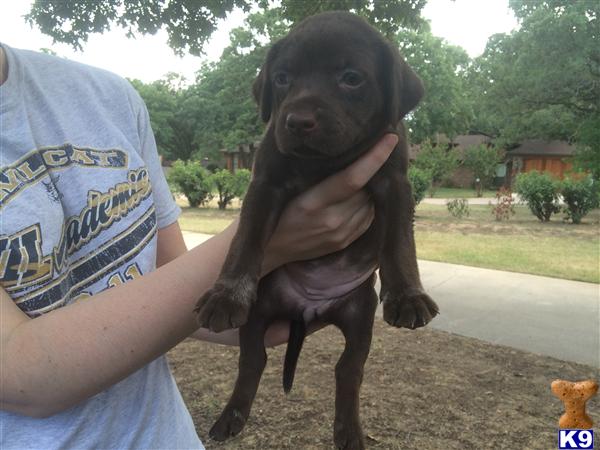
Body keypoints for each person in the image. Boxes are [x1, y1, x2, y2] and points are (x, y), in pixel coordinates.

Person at [0, 43, 397, 449]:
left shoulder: (105, 96)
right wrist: (269, 241)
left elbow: (171, 278)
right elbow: (19, 375)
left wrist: (307, 294)